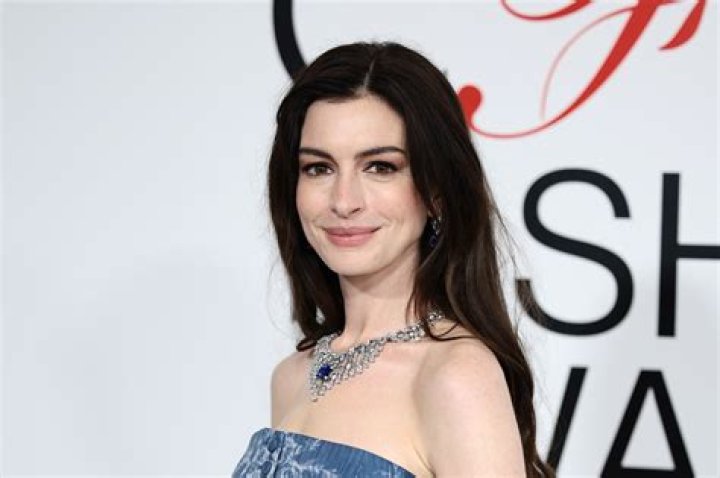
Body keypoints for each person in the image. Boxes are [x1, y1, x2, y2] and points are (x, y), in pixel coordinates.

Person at [232, 41, 554, 477]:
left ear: (436, 191)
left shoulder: (455, 376)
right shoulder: (292, 377)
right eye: (318, 168)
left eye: (380, 167)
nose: (343, 201)